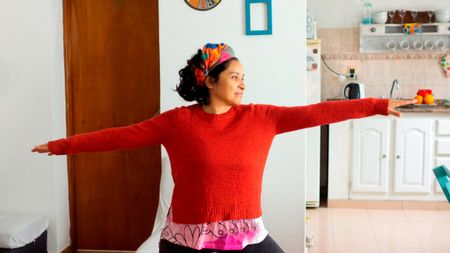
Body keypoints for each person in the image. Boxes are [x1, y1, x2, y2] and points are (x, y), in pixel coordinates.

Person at [33, 43, 415, 253]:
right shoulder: (177, 122)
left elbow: (316, 111)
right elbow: (118, 136)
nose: (243, 84)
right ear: (210, 81)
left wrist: (377, 105)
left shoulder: (262, 117)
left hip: (247, 237)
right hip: (186, 242)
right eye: (235, 77)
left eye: (244, 77)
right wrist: (61, 145)